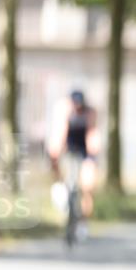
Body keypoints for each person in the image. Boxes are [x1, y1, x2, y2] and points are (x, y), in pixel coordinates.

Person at [47, 89, 99, 223]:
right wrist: (55, 155)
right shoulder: (64, 110)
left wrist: (91, 158)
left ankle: (83, 220)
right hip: (69, 148)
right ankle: (61, 189)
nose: (77, 108)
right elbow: (59, 134)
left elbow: (92, 135)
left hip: (84, 149)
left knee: (87, 185)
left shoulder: (90, 113)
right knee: (58, 166)